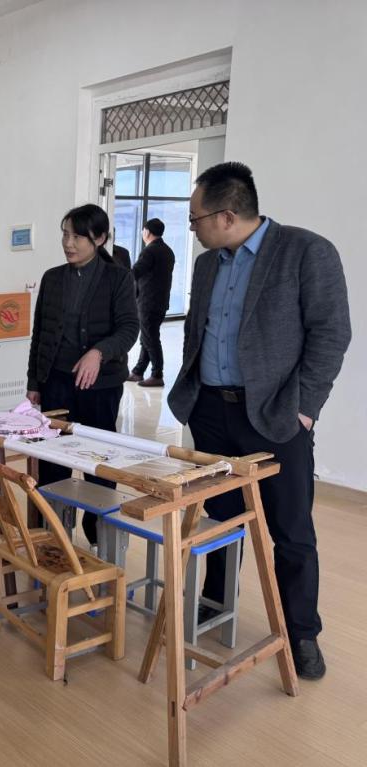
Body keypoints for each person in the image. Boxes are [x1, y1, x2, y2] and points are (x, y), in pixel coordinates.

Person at [168, 161, 351, 680]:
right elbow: (199, 330)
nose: (192, 228)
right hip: (211, 411)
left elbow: (331, 333)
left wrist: (305, 409)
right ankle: (215, 603)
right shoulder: (207, 265)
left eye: (196, 219)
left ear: (226, 216)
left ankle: (302, 632)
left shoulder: (306, 251)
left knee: (290, 529)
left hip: (274, 416)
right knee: (221, 519)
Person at [26, 204, 139, 546]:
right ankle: (54, 535)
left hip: (100, 387)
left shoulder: (118, 278)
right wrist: (34, 383)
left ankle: (98, 536)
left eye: (77, 236)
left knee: (98, 460)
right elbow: (40, 333)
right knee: (52, 461)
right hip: (55, 383)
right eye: (65, 235)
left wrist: (98, 352)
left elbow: (129, 328)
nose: (68, 243)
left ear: (100, 238)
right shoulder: (52, 278)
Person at [127, 217, 175, 387]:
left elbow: (136, 271)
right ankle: (138, 371)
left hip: (148, 302)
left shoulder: (150, 251)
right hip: (160, 301)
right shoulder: (167, 250)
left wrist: (120, 279)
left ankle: (157, 374)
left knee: (150, 338)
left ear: (147, 232)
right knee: (147, 337)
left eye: (143, 230)